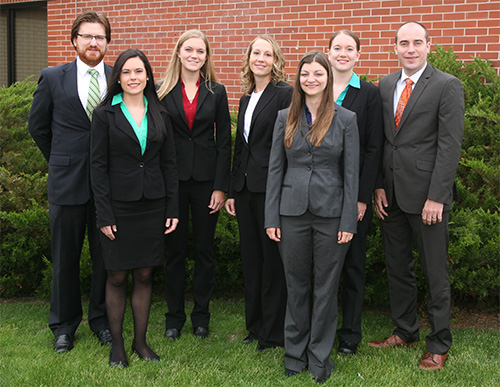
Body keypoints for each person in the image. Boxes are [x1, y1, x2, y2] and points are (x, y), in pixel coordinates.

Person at [369, 21, 464, 371]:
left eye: (417, 43)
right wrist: (378, 184)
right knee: (398, 268)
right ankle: (405, 330)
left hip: (428, 198)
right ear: (394, 47)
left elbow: (449, 145)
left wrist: (437, 196)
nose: (410, 49)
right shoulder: (385, 84)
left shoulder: (446, 85)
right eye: (403, 43)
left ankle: (439, 343)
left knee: (434, 272)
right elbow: (380, 140)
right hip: (390, 196)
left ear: (428, 46)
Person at [265, 51, 359, 384]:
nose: (311, 79)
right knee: (297, 285)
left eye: (318, 74)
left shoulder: (346, 119)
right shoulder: (284, 117)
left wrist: (349, 221)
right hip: (290, 214)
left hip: (332, 215)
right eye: (305, 74)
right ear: (298, 78)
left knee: (325, 289)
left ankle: (319, 357)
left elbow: (351, 175)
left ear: (327, 78)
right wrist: (271, 216)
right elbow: (276, 169)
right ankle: (294, 356)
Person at [28, 10, 112, 353]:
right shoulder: (52, 77)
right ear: (75, 40)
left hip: (108, 186)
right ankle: (63, 326)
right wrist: (61, 160)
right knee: (65, 258)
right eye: (88, 36)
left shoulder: (118, 76)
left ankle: (101, 320)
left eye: (100, 37)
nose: (94, 42)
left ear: (107, 42)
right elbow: (38, 127)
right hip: (67, 183)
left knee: (105, 258)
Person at [90, 49, 179, 368]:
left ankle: (140, 342)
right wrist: (104, 214)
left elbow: (168, 163)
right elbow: (97, 168)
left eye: (139, 71)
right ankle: (117, 347)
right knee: (116, 276)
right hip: (117, 206)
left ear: (148, 76)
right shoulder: (104, 115)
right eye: (126, 72)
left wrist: (173, 207)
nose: (133, 78)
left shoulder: (160, 112)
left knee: (144, 274)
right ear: (118, 78)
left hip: (153, 206)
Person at [157, 30, 231, 340]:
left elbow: (225, 141)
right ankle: (174, 317)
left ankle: (201, 316)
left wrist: (220, 186)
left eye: (200, 51)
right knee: (173, 253)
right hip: (172, 183)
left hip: (205, 183)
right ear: (178, 53)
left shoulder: (217, 91)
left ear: (206, 56)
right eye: (189, 49)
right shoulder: (161, 91)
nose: (194, 55)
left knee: (204, 251)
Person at [225, 36, 292, 351]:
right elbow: (241, 147)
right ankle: (254, 326)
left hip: (271, 190)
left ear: (275, 60)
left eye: (268, 54)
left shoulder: (284, 94)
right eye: (256, 52)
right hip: (245, 191)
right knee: (251, 261)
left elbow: (287, 146)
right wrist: (230, 190)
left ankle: (273, 332)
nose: (261, 58)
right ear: (248, 57)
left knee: (271, 263)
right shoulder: (245, 97)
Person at [327, 30, 384, 355]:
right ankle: (321, 329)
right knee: (321, 267)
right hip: (318, 193)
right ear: (329, 51)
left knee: (352, 265)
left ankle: (349, 334)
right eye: (338, 48)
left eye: (350, 49)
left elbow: (374, 148)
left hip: (352, 195)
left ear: (358, 55)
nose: (343, 53)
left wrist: (362, 197)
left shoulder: (369, 94)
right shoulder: (316, 87)